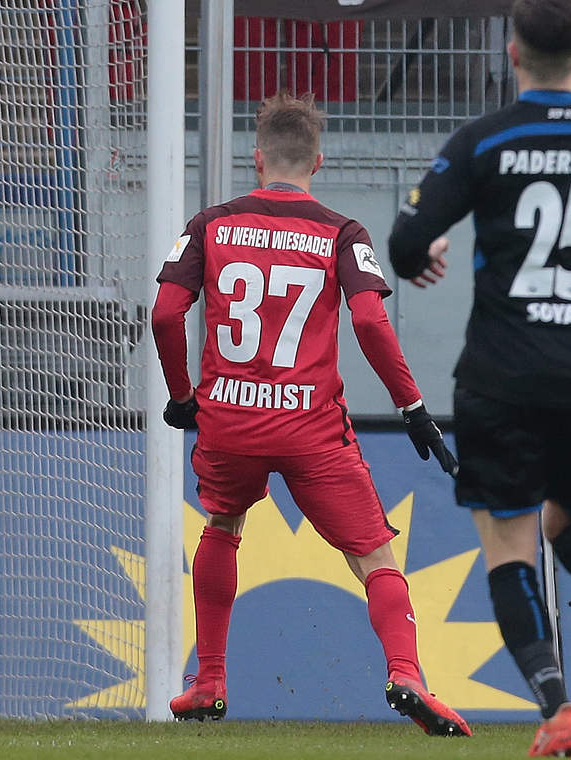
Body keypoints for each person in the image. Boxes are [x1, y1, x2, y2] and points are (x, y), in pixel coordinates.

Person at [387, 0, 571, 754]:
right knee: (567, 526)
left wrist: (420, 259)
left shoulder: (484, 141)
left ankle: (557, 709)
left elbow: (405, 240)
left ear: (512, 55)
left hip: (502, 374)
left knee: (509, 542)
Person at [151, 91, 470, 737]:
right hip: (310, 428)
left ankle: (209, 679)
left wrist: (183, 396)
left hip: (229, 421)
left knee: (223, 521)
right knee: (375, 559)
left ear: (256, 157)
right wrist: (413, 408)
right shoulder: (341, 232)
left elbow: (163, 313)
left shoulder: (209, 224)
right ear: (317, 162)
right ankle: (406, 674)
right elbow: (369, 320)